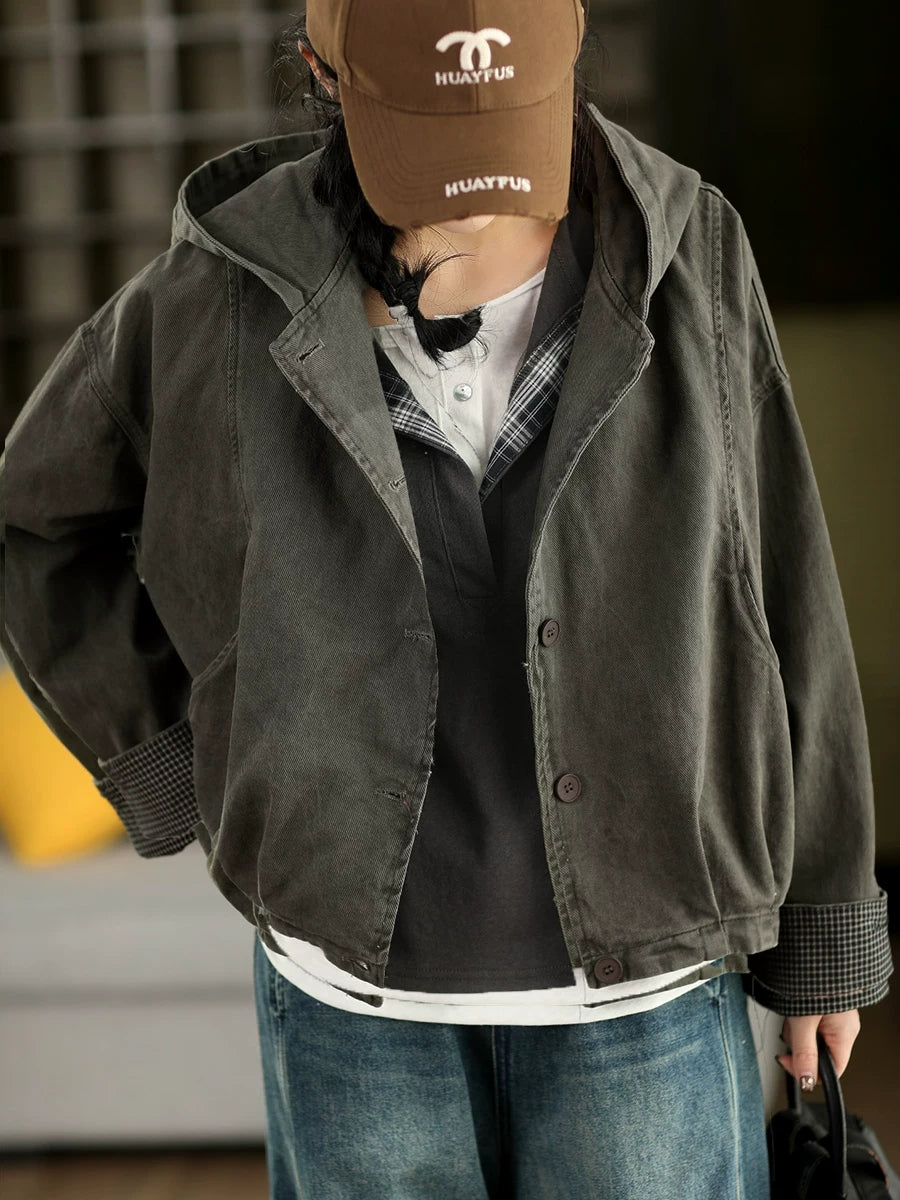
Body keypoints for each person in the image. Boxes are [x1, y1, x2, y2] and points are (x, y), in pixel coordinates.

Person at [0, 0, 892, 1196]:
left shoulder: (691, 250)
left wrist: (827, 934)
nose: (477, 195)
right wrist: (185, 759)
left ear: (571, 50)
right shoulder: (219, 286)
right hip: (353, 1008)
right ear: (322, 73)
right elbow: (35, 517)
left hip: (651, 994)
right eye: (431, 134)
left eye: (504, 127)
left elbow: (784, 587)